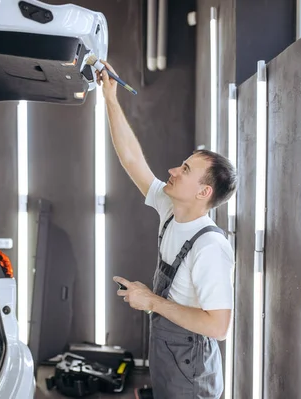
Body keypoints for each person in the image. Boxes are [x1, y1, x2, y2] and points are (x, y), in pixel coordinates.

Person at [95, 60, 237, 399]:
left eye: (185, 169)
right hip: (168, 354)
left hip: (191, 370)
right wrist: (110, 98)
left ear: (204, 193)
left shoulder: (210, 247)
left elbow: (218, 327)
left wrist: (152, 301)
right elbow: (132, 159)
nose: (173, 169)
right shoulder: (170, 208)